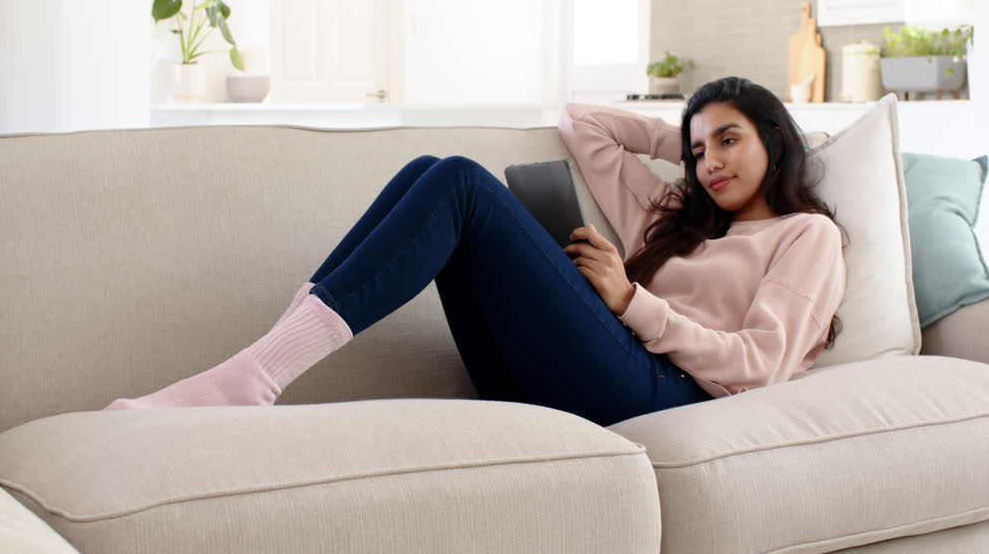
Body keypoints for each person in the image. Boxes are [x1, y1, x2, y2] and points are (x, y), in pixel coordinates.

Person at [105, 76, 848, 428]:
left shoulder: (806, 236)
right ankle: (258, 367)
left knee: (460, 183)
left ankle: (253, 377)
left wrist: (632, 302)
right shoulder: (675, 216)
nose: (711, 162)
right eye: (700, 151)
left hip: (662, 389)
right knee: (425, 173)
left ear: (774, 140)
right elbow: (583, 121)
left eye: (730, 141)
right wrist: (682, 139)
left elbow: (759, 365)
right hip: (579, 375)